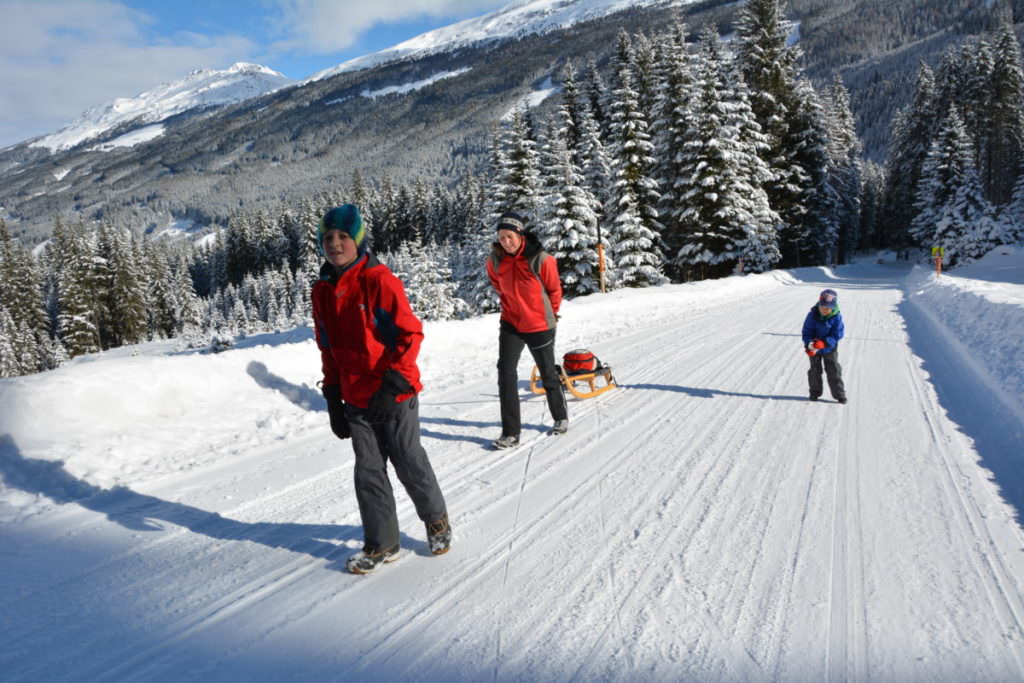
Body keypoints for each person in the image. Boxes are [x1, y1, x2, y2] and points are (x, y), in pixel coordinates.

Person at [312, 204, 451, 574]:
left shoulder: (378, 280)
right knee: (368, 470)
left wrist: (392, 384)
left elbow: (410, 333)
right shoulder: (323, 291)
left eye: (343, 236)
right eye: (328, 237)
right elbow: (327, 346)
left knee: (408, 458)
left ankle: (436, 521)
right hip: (356, 396)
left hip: (394, 391)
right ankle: (382, 542)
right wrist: (332, 396)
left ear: (358, 240)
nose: (335, 243)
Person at [486, 211, 568, 449]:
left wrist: (548, 315)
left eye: (509, 236)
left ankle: (560, 416)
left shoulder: (541, 259)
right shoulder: (495, 260)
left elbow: (554, 291)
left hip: (539, 324)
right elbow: (496, 284)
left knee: (547, 372)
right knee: (505, 373)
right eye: (501, 237)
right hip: (511, 322)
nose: (506, 242)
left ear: (520, 235)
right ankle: (511, 432)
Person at [802, 288, 847, 404]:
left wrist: (826, 342)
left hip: (829, 348)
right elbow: (806, 331)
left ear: (833, 307)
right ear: (819, 305)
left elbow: (838, 333)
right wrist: (809, 344)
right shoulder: (812, 315)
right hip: (815, 347)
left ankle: (839, 394)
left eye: (828, 308)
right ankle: (814, 392)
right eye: (823, 307)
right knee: (814, 370)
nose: (825, 310)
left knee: (833, 369)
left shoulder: (836, 317)